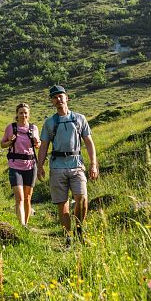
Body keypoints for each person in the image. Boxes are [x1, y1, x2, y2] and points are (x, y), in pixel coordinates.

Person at [36, 85, 99, 246]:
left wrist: (93, 164)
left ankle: (79, 229)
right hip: (57, 167)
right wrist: (40, 166)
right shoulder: (49, 123)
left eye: (60, 96)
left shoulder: (79, 119)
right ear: (52, 101)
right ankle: (68, 237)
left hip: (77, 164)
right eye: (54, 97)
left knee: (82, 198)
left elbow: (89, 142)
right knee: (62, 204)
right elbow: (44, 146)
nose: (58, 100)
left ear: (67, 97)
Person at [0, 103, 41, 227]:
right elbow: (2, 144)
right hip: (15, 166)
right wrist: (10, 141)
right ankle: (21, 224)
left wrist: (36, 142)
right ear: (16, 114)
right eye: (21, 113)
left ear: (29, 115)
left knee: (27, 198)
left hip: (30, 165)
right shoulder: (11, 128)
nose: (23, 115)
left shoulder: (34, 128)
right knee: (19, 197)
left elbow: (38, 146)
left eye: (25, 113)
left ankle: (26, 225)